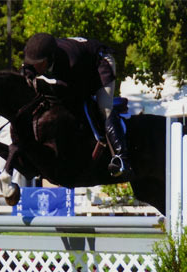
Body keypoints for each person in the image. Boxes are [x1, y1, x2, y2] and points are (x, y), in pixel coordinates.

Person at [21, 33, 132, 178]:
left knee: (104, 108)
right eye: (33, 63)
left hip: (100, 63)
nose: (36, 67)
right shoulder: (37, 56)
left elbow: (73, 92)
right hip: (81, 62)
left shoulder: (70, 62)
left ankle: (121, 158)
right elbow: (27, 72)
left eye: (39, 63)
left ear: (50, 58)